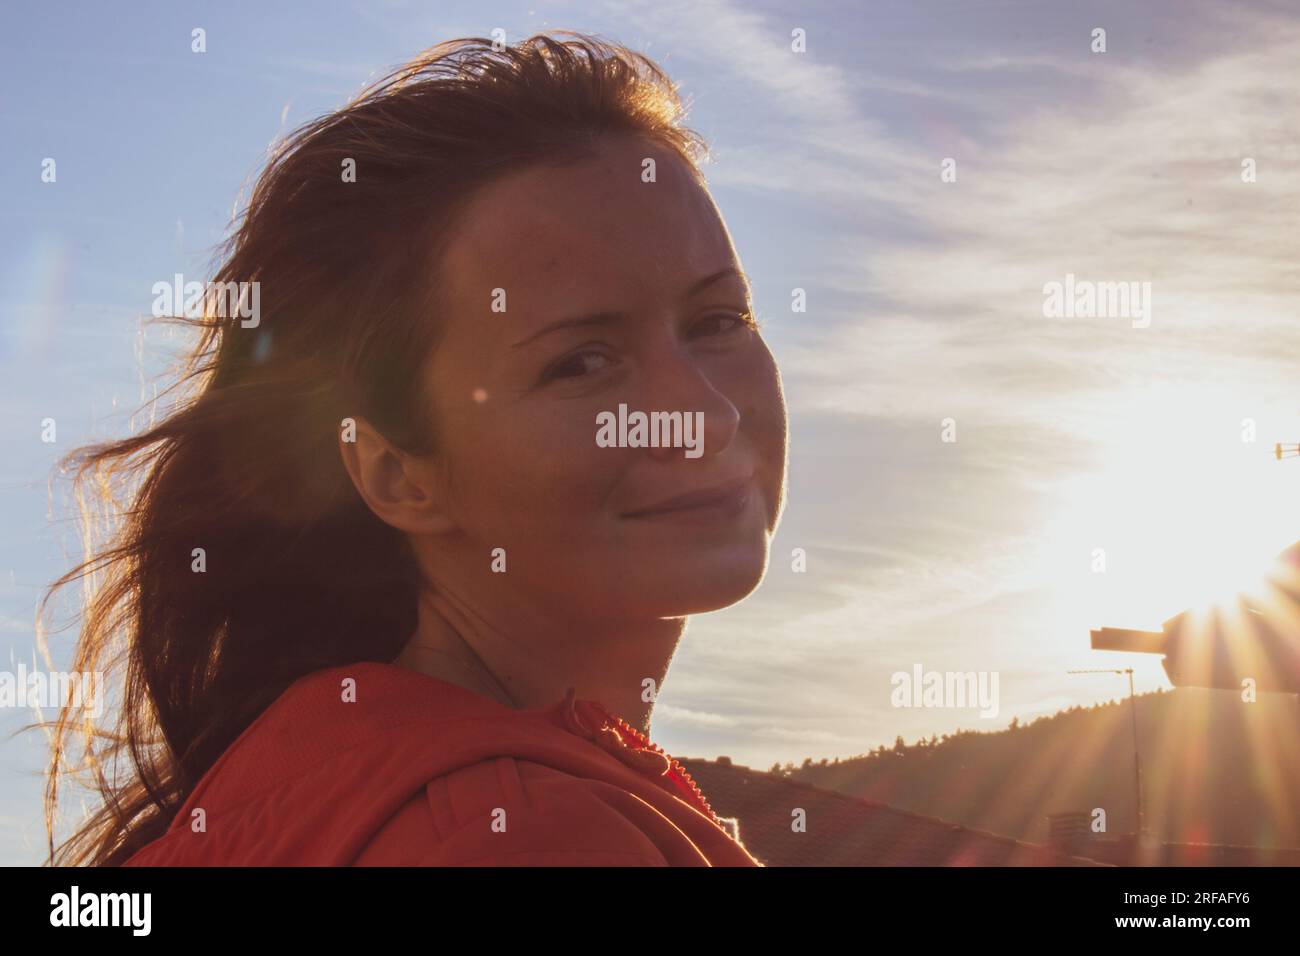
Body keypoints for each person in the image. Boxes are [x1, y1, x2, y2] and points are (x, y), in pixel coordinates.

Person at [41, 31, 788, 867]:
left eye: (718, 321)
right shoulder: (526, 833)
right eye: (580, 361)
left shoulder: (303, 782)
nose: (705, 414)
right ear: (396, 472)